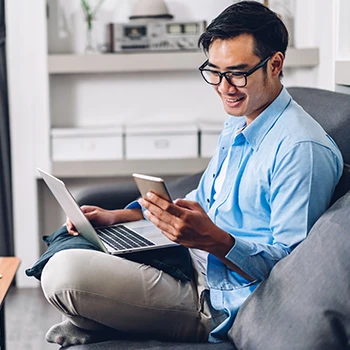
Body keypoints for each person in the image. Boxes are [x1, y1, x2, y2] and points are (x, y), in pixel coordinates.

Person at [41, 1, 343, 347]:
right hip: (185, 260)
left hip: (216, 300)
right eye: (214, 72)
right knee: (74, 243)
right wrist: (123, 216)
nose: (224, 87)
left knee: (64, 274)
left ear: (275, 64)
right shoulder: (241, 118)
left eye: (238, 73)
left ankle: (96, 321)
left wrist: (213, 239)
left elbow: (292, 270)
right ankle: (98, 317)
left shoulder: (300, 150)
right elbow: (204, 199)